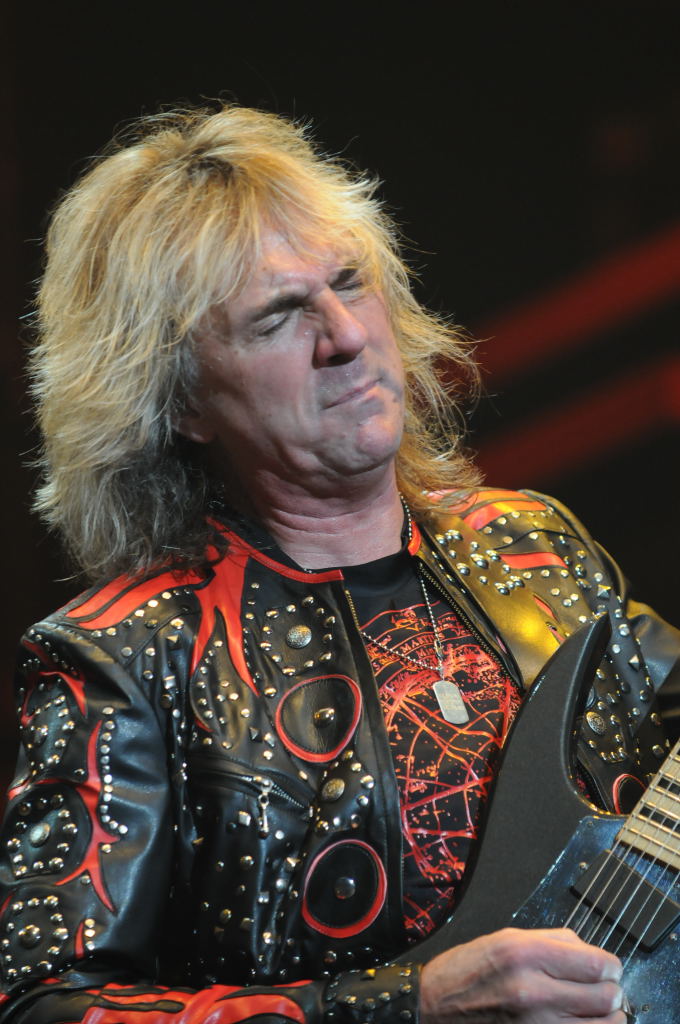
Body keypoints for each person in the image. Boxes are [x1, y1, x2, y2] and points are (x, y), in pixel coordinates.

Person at [0, 104, 677, 1024]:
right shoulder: (125, 657)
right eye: (278, 317)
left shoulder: (534, 545)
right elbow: (41, 1007)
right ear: (181, 399)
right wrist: (408, 1006)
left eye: (351, 282)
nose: (346, 335)